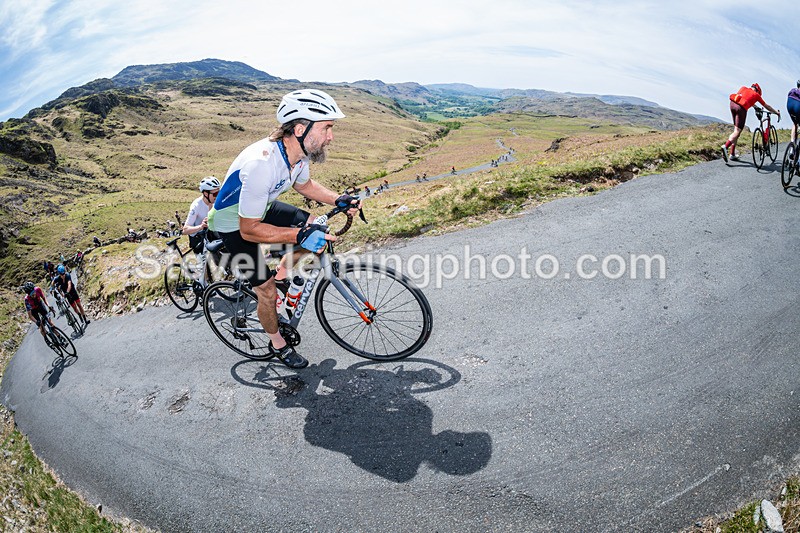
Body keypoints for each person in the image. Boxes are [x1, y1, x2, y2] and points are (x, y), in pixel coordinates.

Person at [207, 88, 360, 369]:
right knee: (266, 291)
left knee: (315, 224)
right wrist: (298, 235)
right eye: (326, 128)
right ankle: (278, 343)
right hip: (234, 223)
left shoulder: (298, 155)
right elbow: (249, 230)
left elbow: (305, 186)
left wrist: (338, 199)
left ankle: (281, 273)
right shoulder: (262, 164)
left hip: (260, 207)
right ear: (300, 128)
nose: (331, 137)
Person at [722, 83, 781, 162]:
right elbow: (767, 106)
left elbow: (745, 98)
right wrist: (776, 112)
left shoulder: (743, 88)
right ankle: (725, 147)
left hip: (732, 104)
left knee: (736, 131)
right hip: (741, 108)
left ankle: (732, 154)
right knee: (737, 131)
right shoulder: (756, 95)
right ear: (758, 91)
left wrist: (756, 107)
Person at [182, 176, 221, 253]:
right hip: (198, 239)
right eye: (215, 194)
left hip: (210, 236)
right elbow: (185, 230)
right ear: (206, 193)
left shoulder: (215, 202)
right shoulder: (196, 206)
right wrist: (201, 226)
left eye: (219, 193)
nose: (217, 196)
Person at [787, 80, 800, 145]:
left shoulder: (793, 90)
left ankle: (792, 143)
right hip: (798, 105)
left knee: (795, 124)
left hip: (789, 104)